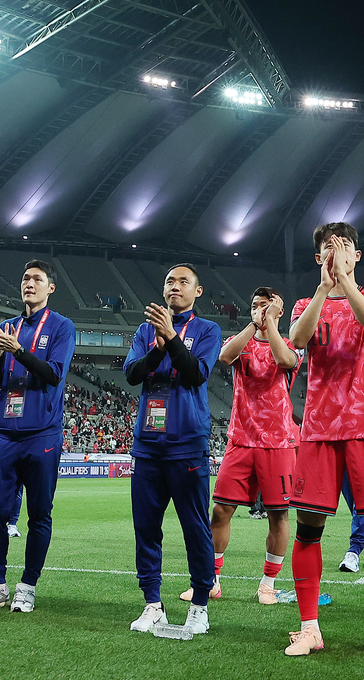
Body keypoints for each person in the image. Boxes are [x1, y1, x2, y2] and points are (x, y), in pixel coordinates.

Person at [285, 223, 364, 659]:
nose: (337, 253)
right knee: (308, 530)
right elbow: (296, 341)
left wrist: (347, 284)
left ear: (356, 256)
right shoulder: (304, 303)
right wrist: (322, 291)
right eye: (329, 249)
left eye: (346, 247)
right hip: (318, 429)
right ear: (320, 259)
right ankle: (309, 628)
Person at [0, 260, 75, 613]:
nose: (29, 283)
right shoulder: (8, 327)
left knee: (39, 513)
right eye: (25, 278)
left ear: (50, 288)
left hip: (42, 433)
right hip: (4, 433)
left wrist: (16, 350)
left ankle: (27, 584)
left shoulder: (62, 327)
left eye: (37, 279)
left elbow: (53, 374)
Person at [180, 286, 298, 606]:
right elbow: (224, 356)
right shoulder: (242, 344)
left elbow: (285, 361)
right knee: (220, 511)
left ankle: (267, 584)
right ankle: (211, 580)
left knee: (278, 515)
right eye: (255, 305)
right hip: (241, 440)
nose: (260, 309)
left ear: (280, 310)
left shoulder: (289, 344)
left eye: (267, 305)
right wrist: (254, 324)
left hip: (278, 442)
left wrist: (269, 325)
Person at [123, 264, 220, 636]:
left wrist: (172, 339)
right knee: (146, 528)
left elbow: (196, 374)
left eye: (183, 282)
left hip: (187, 444)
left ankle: (198, 606)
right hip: (147, 446)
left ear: (197, 292)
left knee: (195, 528)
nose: (174, 286)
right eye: (169, 281)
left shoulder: (207, 330)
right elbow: (132, 374)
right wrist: (158, 345)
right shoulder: (145, 331)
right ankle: (152, 604)